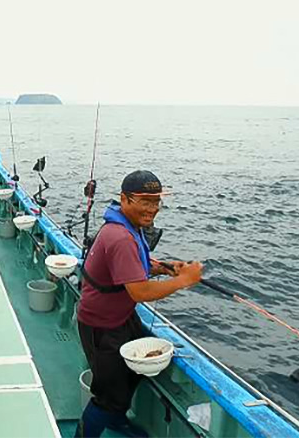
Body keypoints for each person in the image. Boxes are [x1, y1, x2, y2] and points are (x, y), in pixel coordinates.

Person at [77, 170, 203, 438]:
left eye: (156, 202)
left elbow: (130, 266)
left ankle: (116, 420)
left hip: (122, 318)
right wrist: (184, 280)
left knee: (132, 375)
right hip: (101, 326)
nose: (152, 210)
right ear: (125, 199)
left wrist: (162, 268)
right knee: (107, 396)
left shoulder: (128, 226)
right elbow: (139, 291)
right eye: (145, 202)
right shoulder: (120, 237)